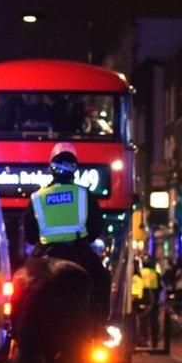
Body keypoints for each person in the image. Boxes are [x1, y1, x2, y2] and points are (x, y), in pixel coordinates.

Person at [23, 142, 111, 332]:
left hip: (46, 253)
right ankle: (99, 328)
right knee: (103, 278)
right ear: (74, 170)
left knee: (21, 286)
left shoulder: (37, 197)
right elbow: (96, 226)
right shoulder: (84, 194)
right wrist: (84, 239)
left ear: (51, 168)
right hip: (78, 250)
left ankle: (19, 333)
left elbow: (30, 234)